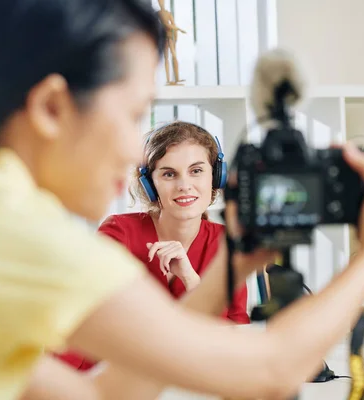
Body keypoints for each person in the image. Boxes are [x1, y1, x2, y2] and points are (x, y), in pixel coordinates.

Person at [0, 1, 364, 400]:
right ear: (52, 108)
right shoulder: (5, 229)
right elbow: (271, 373)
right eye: (134, 114)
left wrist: (228, 266)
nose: (138, 147)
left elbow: (108, 392)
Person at [55, 121, 250, 372]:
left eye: (196, 171)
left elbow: (233, 339)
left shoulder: (227, 243)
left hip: (192, 379)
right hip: (108, 376)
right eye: (169, 174)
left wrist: (191, 280)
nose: (184, 185)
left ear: (216, 175)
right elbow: (90, 319)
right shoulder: (119, 232)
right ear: (150, 184)